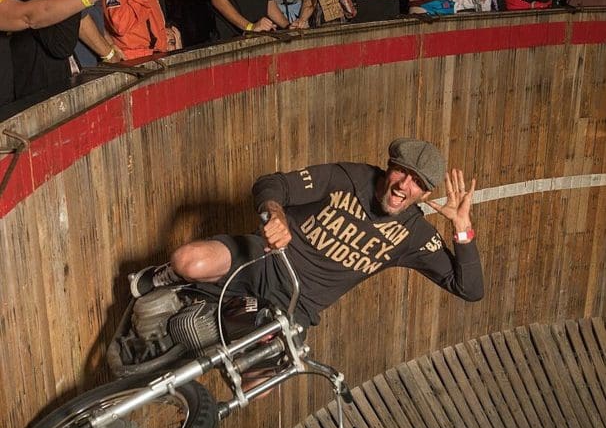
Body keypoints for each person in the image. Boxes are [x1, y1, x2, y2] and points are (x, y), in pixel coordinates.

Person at [129, 138, 484, 339]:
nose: (405, 187)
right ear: (389, 167)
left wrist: (462, 229)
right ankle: (172, 278)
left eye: (418, 183)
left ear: (424, 194)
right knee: (188, 261)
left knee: (256, 385)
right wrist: (276, 213)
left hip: (297, 307)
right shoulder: (348, 177)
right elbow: (273, 184)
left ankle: (205, 329)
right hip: (265, 260)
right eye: (403, 172)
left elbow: (469, 289)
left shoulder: (414, 234)